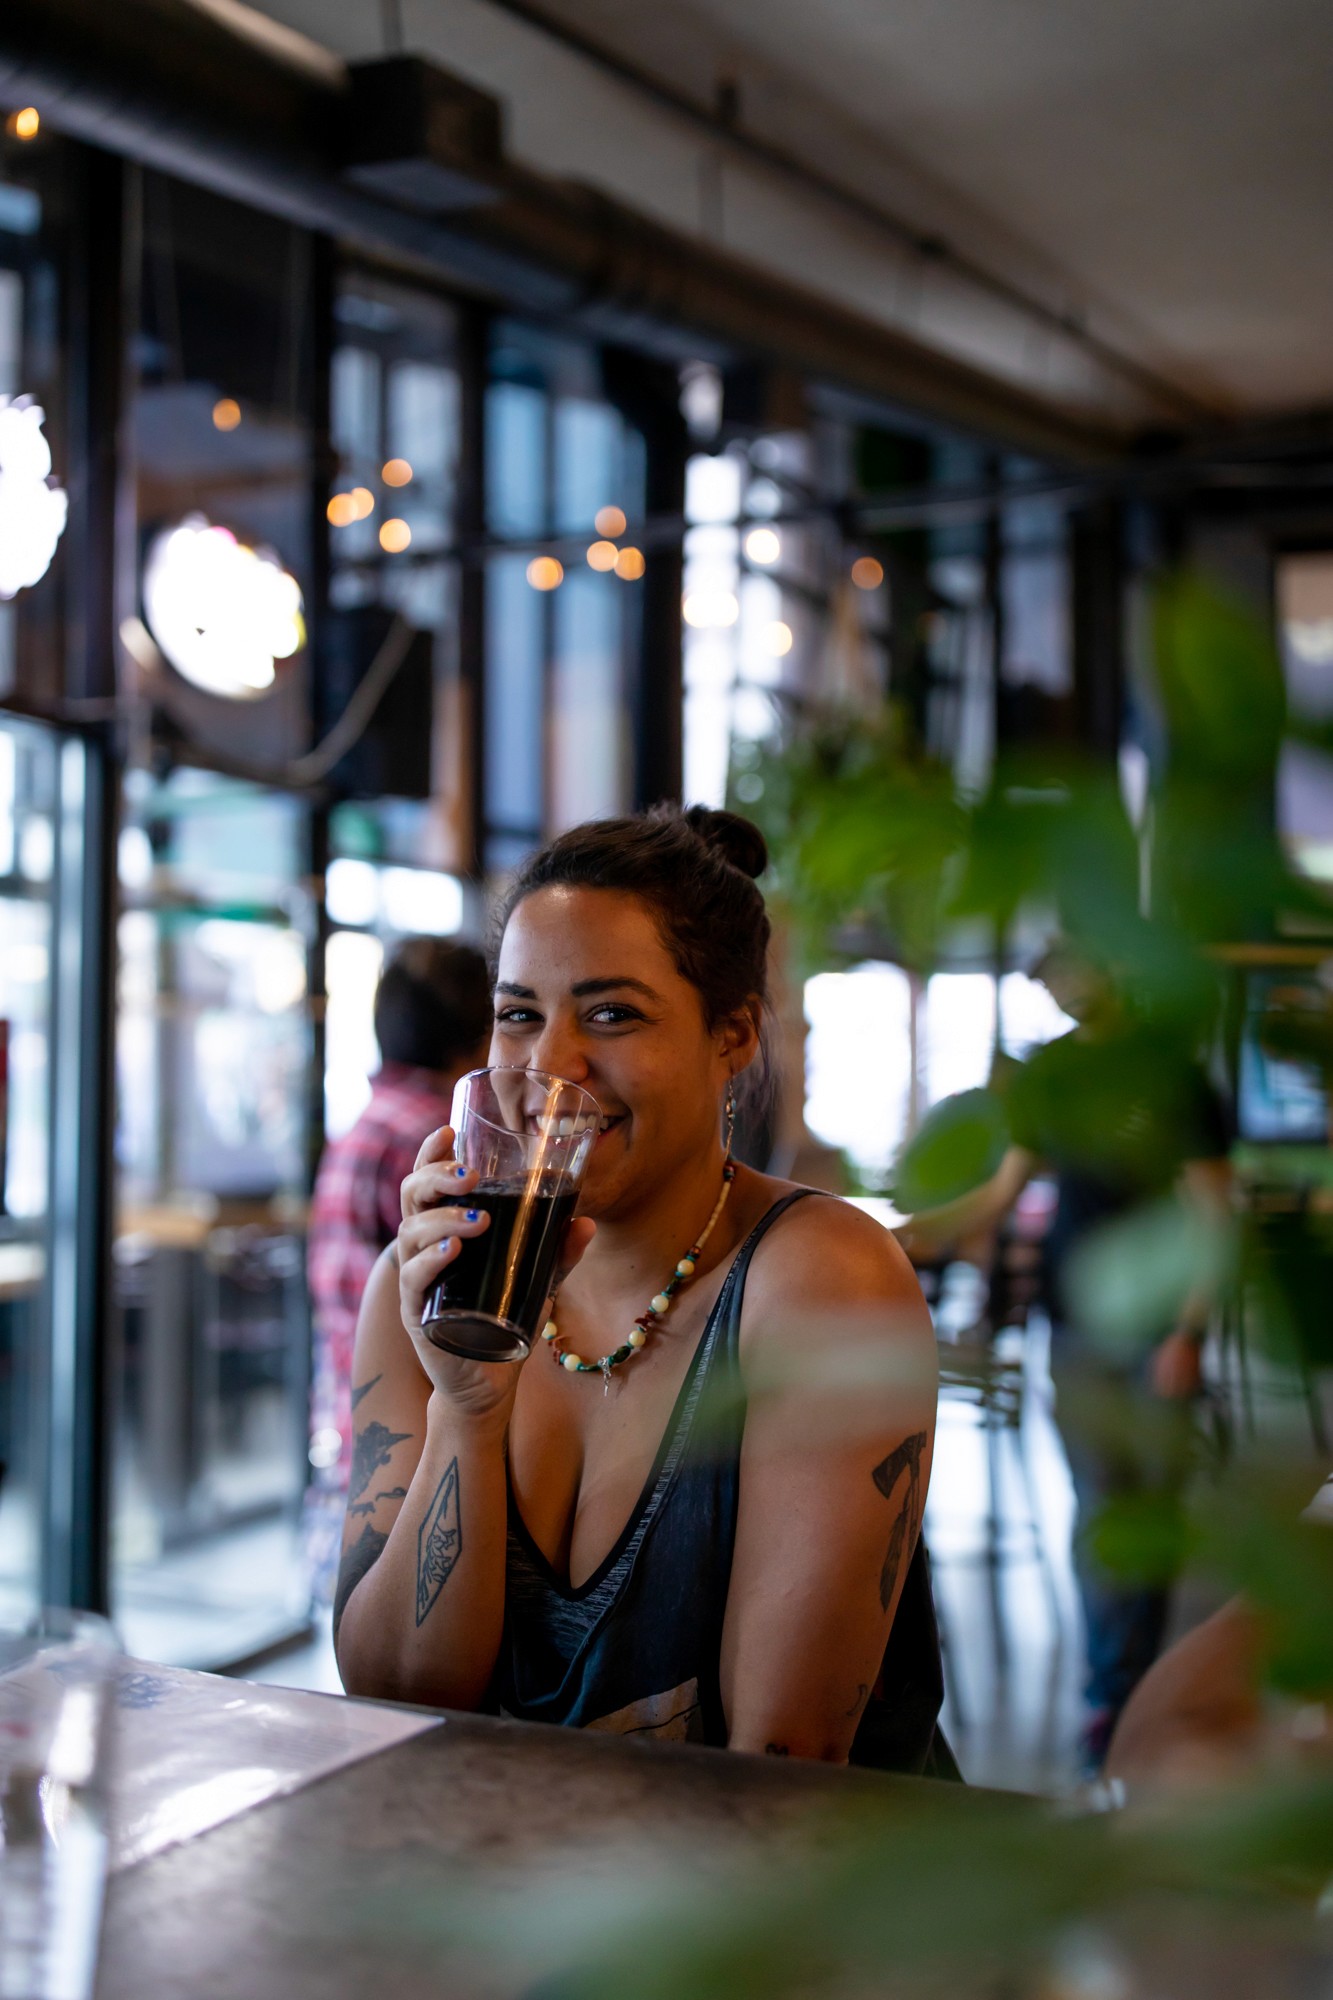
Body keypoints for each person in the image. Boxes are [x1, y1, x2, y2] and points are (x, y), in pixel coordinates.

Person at [333, 807, 952, 1771]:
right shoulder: (423, 1290)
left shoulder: (822, 1282)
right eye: (518, 1015)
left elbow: (782, 1769)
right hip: (498, 1856)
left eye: (612, 1014)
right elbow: (398, 1698)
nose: (549, 1068)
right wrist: (466, 1409)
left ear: (731, 1034)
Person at [900, 941, 1232, 1774]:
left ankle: (1134, 1690)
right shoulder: (1049, 1076)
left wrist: (1188, 1333)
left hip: (1154, 1331)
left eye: (1074, 973)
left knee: (1148, 1516)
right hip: (1075, 1327)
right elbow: (1003, 1191)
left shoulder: (1171, 1075)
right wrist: (912, 1232)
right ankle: (1109, 1703)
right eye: (1051, 982)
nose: (1064, 990)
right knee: (1097, 1516)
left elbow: (1211, 1217)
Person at [303, 936, 491, 1604]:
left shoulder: (364, 1125)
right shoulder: (440, 1143)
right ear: (478, 1034)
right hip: (415, 1442)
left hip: (355, 1424)